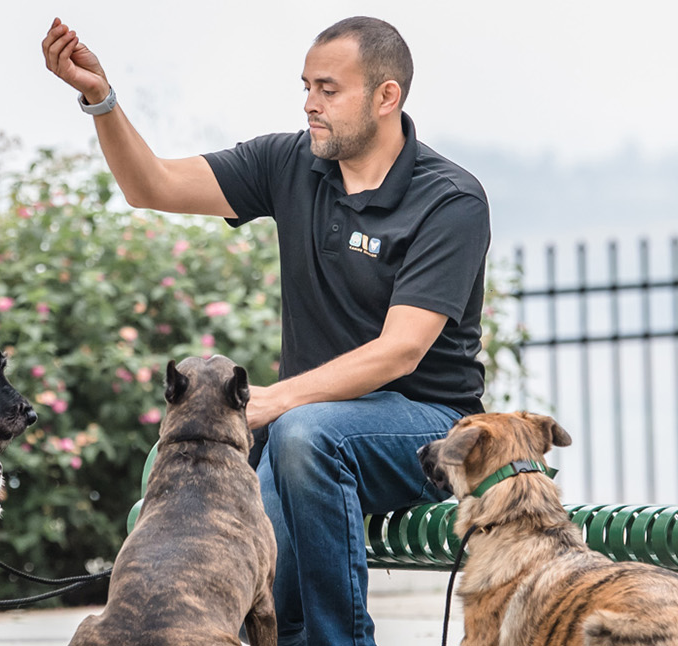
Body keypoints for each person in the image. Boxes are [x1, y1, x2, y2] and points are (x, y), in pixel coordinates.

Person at [42, 15, 491, 646]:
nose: (309, 103)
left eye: (328, 89)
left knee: (302, 434)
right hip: (308, 436)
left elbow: (401, 349)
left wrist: (273, 402)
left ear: (386, 97)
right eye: (306, 85)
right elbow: (151, 185)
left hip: (429, 429)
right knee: (246, 510)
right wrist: (100, 99)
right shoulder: (291, 163)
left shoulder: (449, 199)